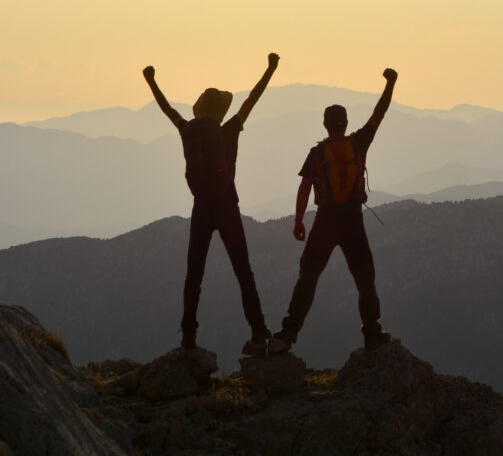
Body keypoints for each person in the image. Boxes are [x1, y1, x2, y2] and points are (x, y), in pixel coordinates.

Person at [142, 53, 279, 356]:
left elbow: (166, 108)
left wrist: (151, 80)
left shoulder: (186, 129)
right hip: (227, 206)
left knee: (195, 274)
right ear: (220, 111)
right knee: (244, 272)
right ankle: (258, 332)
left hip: (201, 207)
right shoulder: (229, 129)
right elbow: (252, 99)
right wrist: (270, 69)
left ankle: (188, 336)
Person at [270, 67, 397, 354]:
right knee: (365, 278)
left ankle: (288, 333)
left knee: (308, 276)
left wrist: (299, 221)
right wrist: (391, 83)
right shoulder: (359, 143)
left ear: (325, 125)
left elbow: (304, 188)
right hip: (353, 219)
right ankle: (372, 332)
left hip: (325, 221)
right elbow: (380, 112)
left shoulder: (317, 152)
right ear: (346, 123)